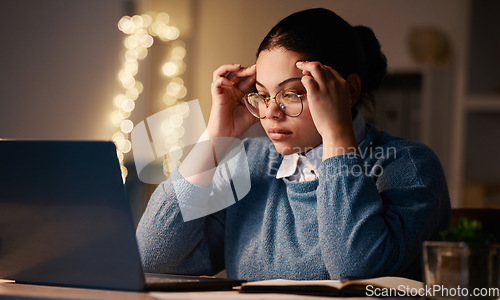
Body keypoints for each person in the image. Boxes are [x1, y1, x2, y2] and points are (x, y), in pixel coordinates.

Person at [136, 8, 450, 281]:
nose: (271, 111)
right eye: (263, 94)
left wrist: (337, 137)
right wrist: (215, 139)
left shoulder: (408, 165)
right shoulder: (251, 162)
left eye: (291, 93)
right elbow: (154, 259)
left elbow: (355, 270)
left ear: (349, 91)